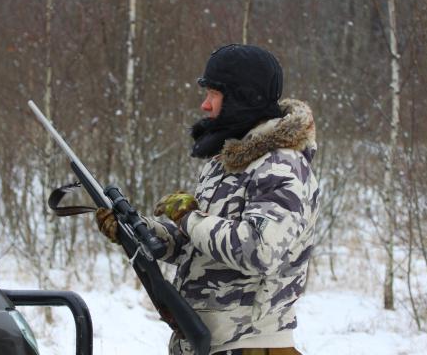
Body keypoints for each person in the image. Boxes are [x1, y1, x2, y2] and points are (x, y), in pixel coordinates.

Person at [96, 44, 320, 355]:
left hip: (252, 344)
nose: (204, 105)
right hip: (205, 341)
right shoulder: (224, 163)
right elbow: (200, 245)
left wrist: (188, 216)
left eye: (214, 94)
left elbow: (260, 250)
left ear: (244, 98)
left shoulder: (282, 165)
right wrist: (138, 231)